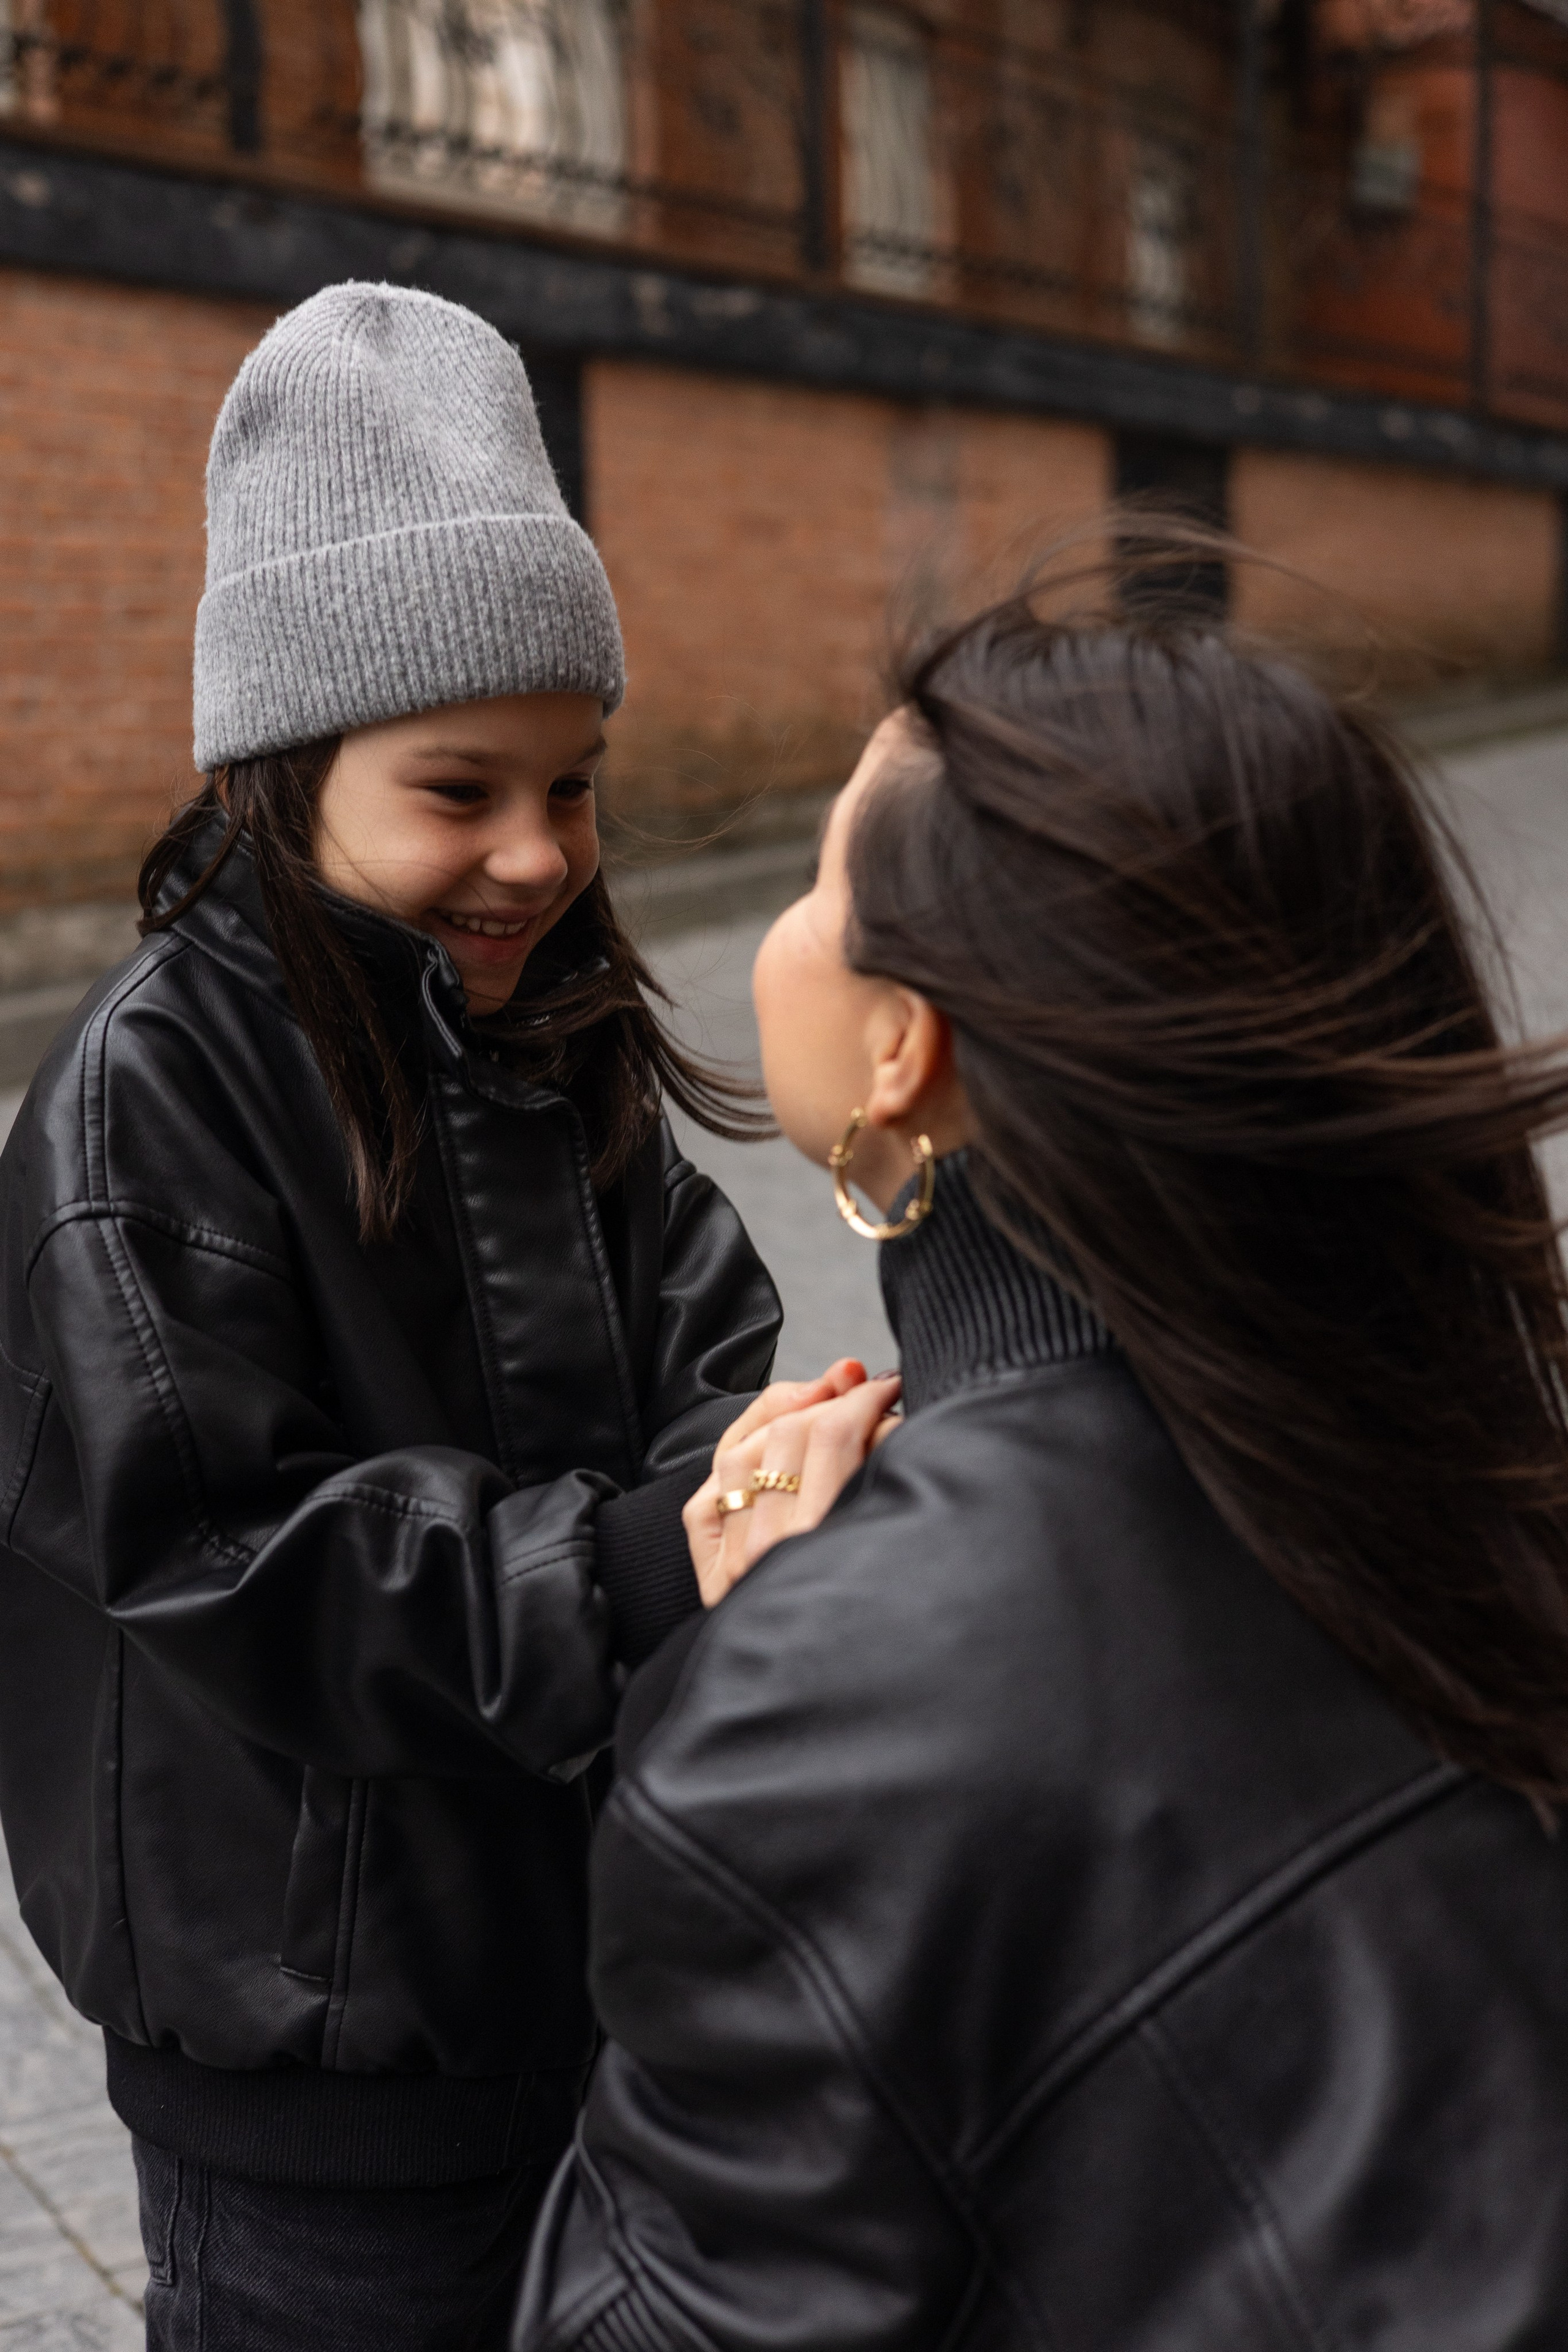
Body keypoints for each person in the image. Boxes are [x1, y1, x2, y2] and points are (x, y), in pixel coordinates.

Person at [516, 578, 1568, 2348]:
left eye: (819, 883)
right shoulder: (1474, 1457)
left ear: (901, 1049)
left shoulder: (824, 1713)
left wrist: (766, 1661)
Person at [0, 282, 864, 2350]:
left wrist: (754, 1470)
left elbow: (699, 1339)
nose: (537, 855)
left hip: (582, 1994)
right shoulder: (146, 1101)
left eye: (573, 788)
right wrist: (660, 1558)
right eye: (459, 790)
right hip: (316, 2075)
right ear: (280, 761)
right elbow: (228, 1555)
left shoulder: (545, 1035)